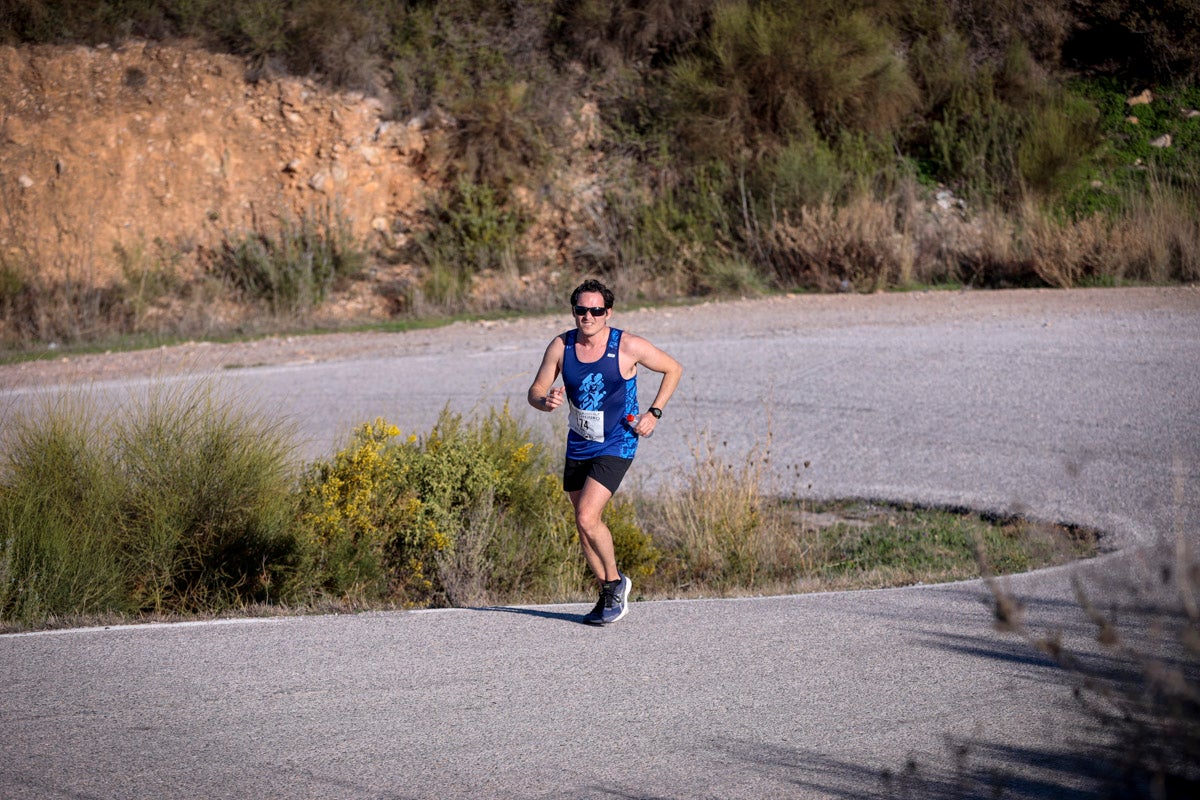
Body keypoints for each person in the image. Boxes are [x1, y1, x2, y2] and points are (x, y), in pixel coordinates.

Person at [527, 279, 683, 625]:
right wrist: (545, 400)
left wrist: (654, 413)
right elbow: (535, 390)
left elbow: (674, 369)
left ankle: (615, 583)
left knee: (587, 515)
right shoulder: (561, 345)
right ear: (574, 312)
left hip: (617, 440)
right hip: (579, 441)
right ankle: (606, 593)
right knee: (584, 526)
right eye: (581, 310)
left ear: (607, 312)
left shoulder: (627, 345)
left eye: (596, 310)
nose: (588, 316)